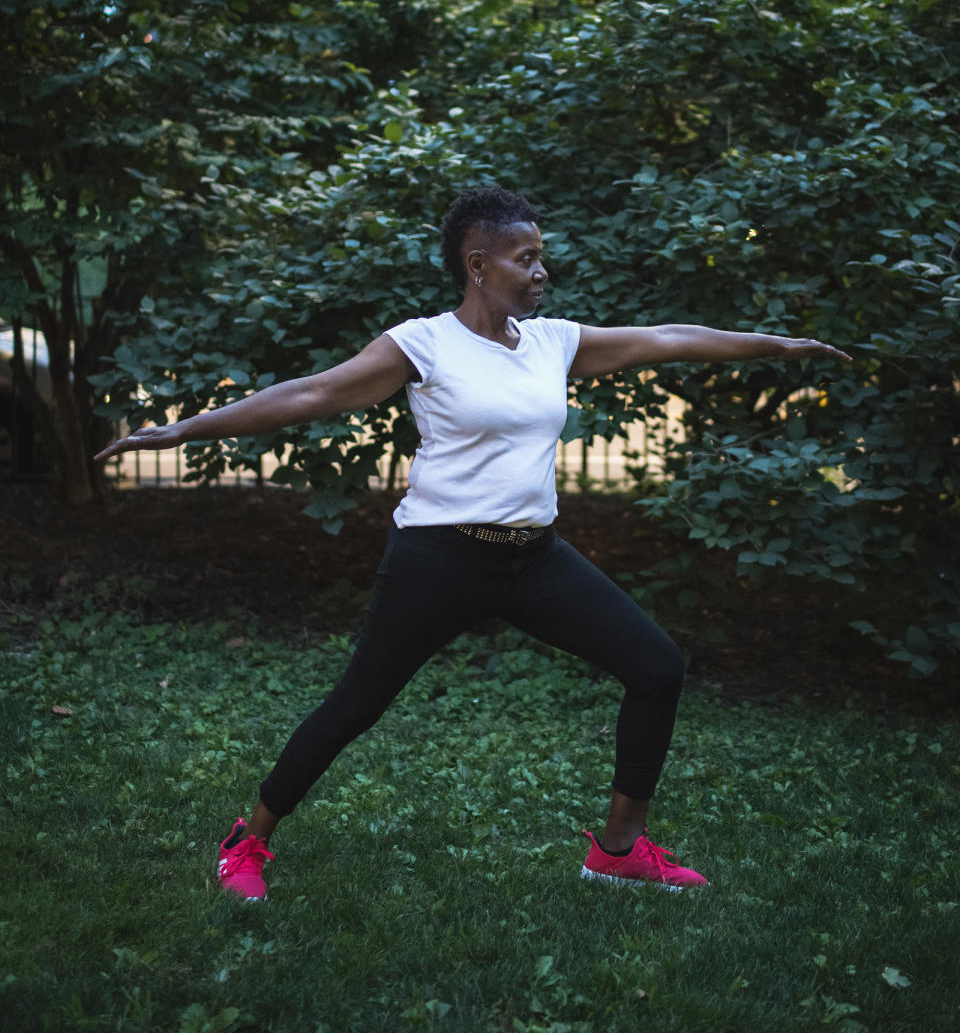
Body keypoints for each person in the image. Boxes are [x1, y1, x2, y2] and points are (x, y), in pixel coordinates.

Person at [96, 185, 852, 901]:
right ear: (477, 264)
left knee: (656, 666)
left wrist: (777, 347)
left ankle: (618, 852)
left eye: (540, 256)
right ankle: (247, 839)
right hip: (439, 557)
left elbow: (667, 339)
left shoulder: (553, 343)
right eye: (526, 259)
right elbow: (315, 392)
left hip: (533, 558)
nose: (541, 271)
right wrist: (189, 427)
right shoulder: (422, 345)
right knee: (355, 706)